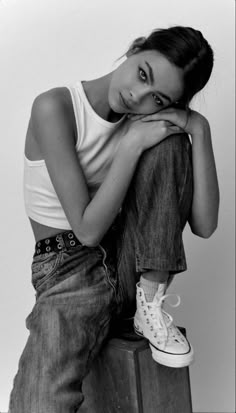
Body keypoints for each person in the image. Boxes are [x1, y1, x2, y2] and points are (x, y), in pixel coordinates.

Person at [9, 26, 219, 412]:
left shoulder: (149, 119)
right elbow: (87, 230)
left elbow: (205, 225)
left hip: (132, 264)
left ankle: (150, 302)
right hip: (68, 272)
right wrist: (132, 143)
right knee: (37, 404)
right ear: (136, 49)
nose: (138, 96)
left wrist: (198, 128)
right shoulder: (55, 108)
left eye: (157, 98)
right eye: (143, 74)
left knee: (170, 144)